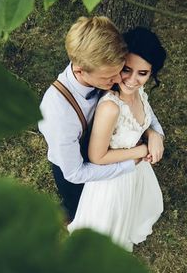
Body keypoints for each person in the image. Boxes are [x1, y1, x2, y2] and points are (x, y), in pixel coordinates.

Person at [38, 17, 165, 222]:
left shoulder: (104, 69)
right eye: (109, 78)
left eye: (118, 72)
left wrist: (153, 132)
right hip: (78, 170)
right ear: (80, 70)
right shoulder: (57, 113)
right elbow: (75, 172)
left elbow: (136, 106)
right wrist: (130, 162)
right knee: (80, 210)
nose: (119, 81)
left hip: (109, 156)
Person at [67, 27, 166, 251]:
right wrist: (141, 151)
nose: (132, 80)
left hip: (135, 173)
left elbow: (142, 120)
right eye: (127, 70)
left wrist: (153, 134)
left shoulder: (138, 92)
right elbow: (97, 156)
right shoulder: (111, 107)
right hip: (112, 180)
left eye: (143, 73)